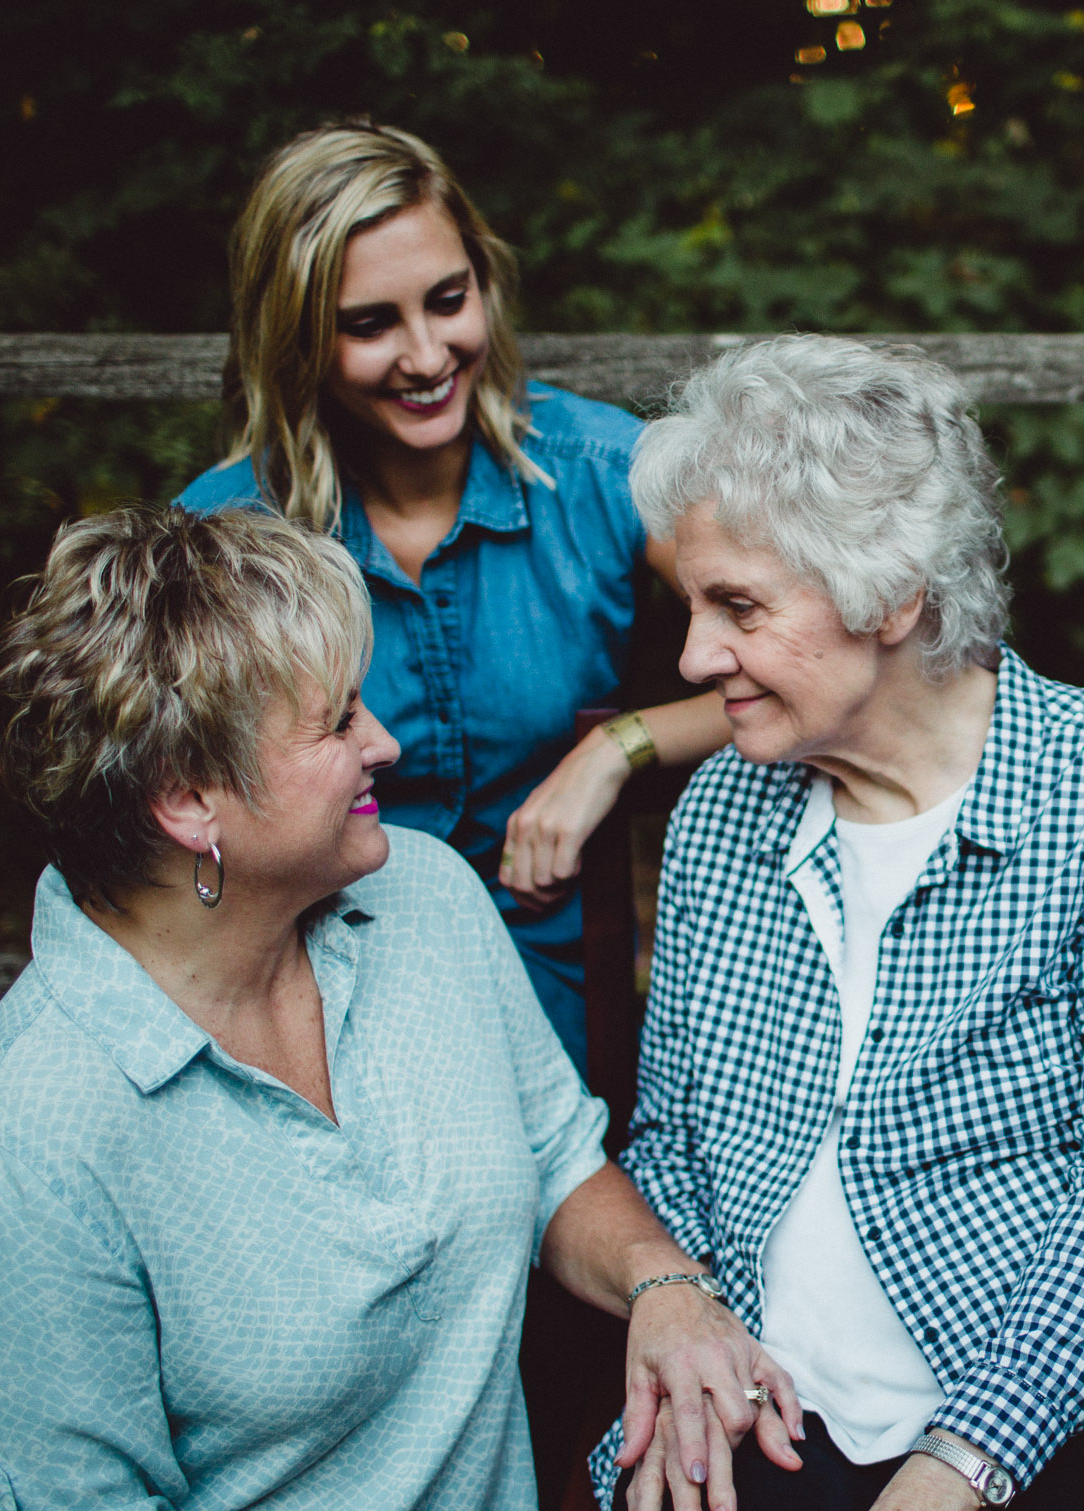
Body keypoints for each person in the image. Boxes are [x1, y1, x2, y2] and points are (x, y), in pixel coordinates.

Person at [0, 503, 797, 1511]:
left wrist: (663, 1285)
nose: (387, 741)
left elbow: (556, 1158)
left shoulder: (418, 890)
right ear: (189, 799)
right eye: (336, 723)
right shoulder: (29, 1141)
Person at [595, 336, 1084, 1511]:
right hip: (774, 1391)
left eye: (738, 608)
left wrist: (950, 1479)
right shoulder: (720, 819)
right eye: (691, 607)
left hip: (1074, 1393)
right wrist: (682, 1305)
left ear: (895, 594)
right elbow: (677, 1135)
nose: (692, 659)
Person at [177, 118, 728, 1071]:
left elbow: (818, 665)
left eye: (448, 300)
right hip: (313, 1008)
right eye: (369, 324)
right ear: (299, 335)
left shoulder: (604, 474)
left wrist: (622, 745)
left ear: (485, 283)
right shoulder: (227, 538)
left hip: (554, 1007)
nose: (428, 356)